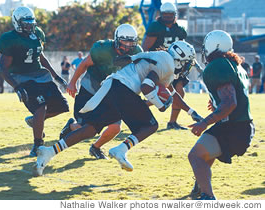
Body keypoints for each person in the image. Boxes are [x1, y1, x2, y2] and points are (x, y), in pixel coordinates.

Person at [33, 41, 203, 177]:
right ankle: (120, 150)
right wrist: (160, 104)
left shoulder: (162, 58)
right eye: (187, 63)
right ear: (180, 59)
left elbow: (169, 93)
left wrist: (191, 112)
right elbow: (146, 86)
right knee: (151, 125)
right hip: (124, 88)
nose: (187, 67)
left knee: (91, 128)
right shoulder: (168, 64)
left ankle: (48, 152)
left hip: (113, 86)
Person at [188, 30, 254, 200]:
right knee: (203, 154)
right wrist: (217, 103)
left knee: (195, 155)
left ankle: (208, 197)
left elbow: (230, 102)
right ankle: (200, 187)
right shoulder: (234, 65)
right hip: (242, 126)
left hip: (233, 127)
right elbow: (232, 97)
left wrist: (204, 122)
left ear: (212, 46)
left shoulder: (217, 65)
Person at [62, 24, 143, 160]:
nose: (128, 46)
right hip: (92, 87)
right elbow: (84, 64)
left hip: (111, 92)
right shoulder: (103, 49)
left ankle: (96, 148)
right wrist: (72, 82)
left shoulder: (137, 52)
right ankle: (71, 127)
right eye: (125, 41)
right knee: (86, 128)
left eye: (131, 42)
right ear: (117, 39)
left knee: (115, 127)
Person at [0, 6, 69, 157]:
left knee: (62, 106)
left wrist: (56, 76)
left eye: (31, 22)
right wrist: (17, 87)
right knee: (40, 107)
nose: (29, 25)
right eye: (26, 22)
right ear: (17, 22)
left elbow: (41, 57)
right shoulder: (9, 39)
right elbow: (3, 68)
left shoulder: (37, 33)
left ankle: (35, 121)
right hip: (22, 77)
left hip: (41, 75)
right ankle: (38, 144)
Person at [142, 2, 190, 130]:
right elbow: (146, 48)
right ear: (161, 14)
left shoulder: (179, 29)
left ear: (175, 15)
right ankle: (142, 105)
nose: (168, 17)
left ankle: (172, 122)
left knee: (179, 90)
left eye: (171, 14)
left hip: (175, 64)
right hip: (159, 65)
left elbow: (183, 47)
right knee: (163, 93)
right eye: (166, 14)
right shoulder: (155, 27)